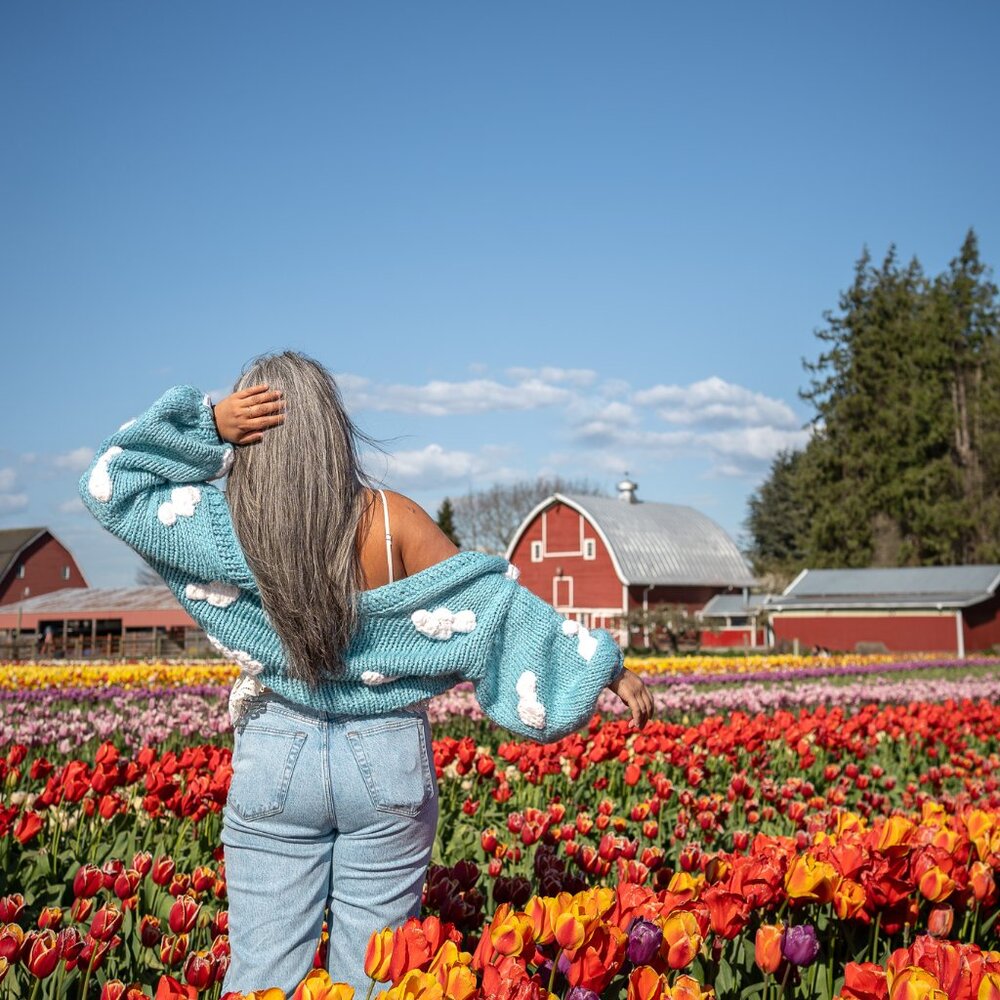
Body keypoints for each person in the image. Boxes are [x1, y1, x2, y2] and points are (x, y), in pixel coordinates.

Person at [79, 351, 653, 996]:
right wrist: (605, 667)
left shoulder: (222, 524)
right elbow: (491, 604)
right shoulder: (390, 519)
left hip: (276, 751)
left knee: (264, 969)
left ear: (253, 431)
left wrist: (207, 425)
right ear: (334, 429)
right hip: (385, 757)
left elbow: (111, 481)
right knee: (380, 973)